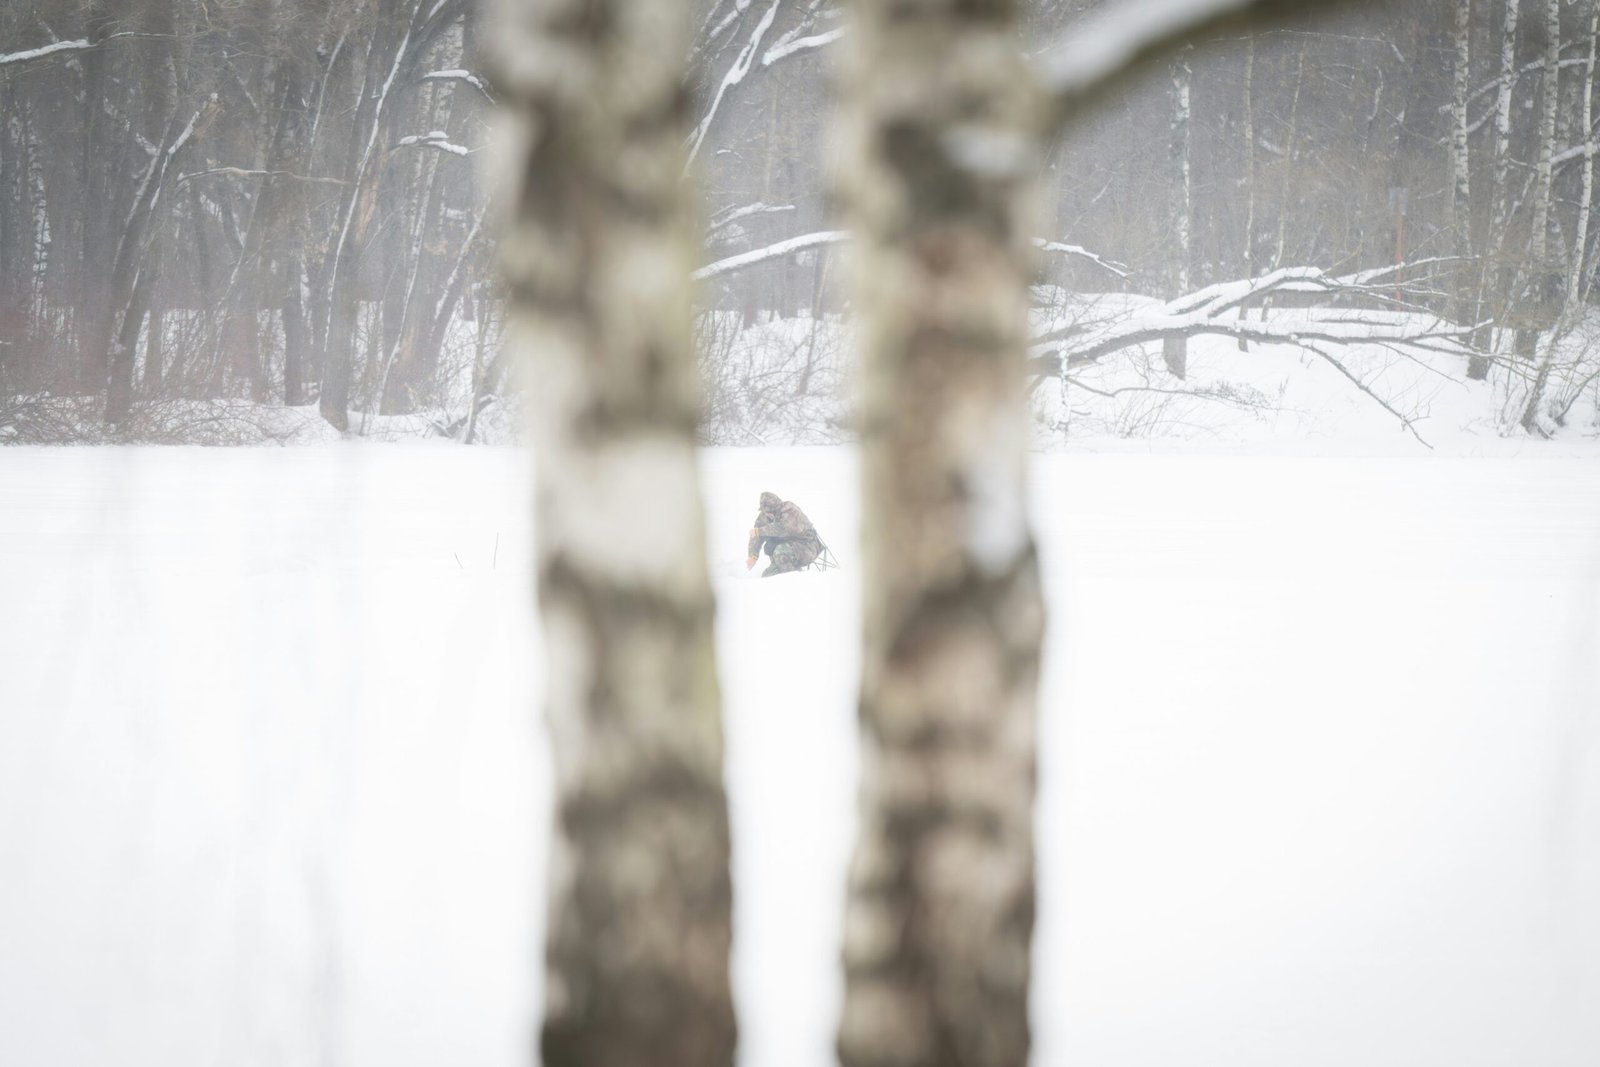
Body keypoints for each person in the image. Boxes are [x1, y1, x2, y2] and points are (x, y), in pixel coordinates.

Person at [745, 491, 823, 577]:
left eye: (771, 510)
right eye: (766, 511)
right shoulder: (764, 515)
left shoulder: (789, 509)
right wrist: (753, 555)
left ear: (777, 506)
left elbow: (784, 529)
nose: (768, 513)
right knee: (767, 576)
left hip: (808, 546)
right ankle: (790, 570)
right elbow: (756, 534)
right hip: (787, 549)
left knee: (780, 551)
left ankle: (793, 579)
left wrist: (759, 531)